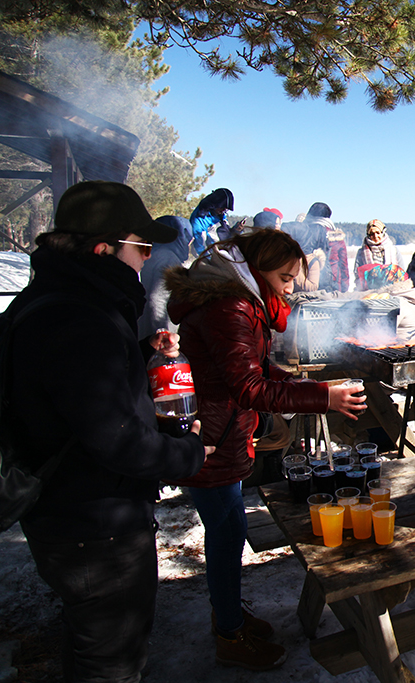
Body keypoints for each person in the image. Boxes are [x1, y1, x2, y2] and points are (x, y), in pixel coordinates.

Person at [6, 181, 208, 682]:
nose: (147, 259)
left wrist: (138, 354)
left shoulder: (60, 302)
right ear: (103, 249)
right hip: (94, 526)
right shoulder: (79, 318)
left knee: (91, 646)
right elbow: (116, 438)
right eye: (141, 248)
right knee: (110, 665)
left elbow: (74, 393)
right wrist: (188, 453)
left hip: (72, 515)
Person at [165, 229, 366, 670]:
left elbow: (253, 367)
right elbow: (248, 386)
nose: (290, 287)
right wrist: (322, 398)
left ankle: (230, 615)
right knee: (225, 534)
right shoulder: (232, 306)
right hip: (212, 438)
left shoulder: (239, 299)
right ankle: (230, 634)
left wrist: (299, 384)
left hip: (221, 432)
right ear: (256, 270)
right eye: (284, 277)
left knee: (228, 531)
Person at [139, 215, 192, 340]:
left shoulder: (151, 254)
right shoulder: (168, 258)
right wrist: (163, 334)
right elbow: (159, 299)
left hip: (142, 331)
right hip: (156, 336)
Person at [306, 202, 348, 293]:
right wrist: (344, 288)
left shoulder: (304, 232)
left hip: (307, 283)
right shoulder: (337, 236)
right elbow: (343, 264)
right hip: (333, 282)